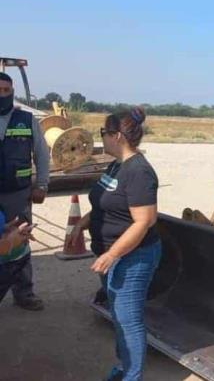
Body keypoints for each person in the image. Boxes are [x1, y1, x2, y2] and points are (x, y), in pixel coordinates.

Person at [68, 107, 160, 381]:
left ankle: (131, 376)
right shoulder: (116, 165)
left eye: (103, 133)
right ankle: (125, 368)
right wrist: (82, 224)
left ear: (117, 136)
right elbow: (104, 202)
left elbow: (144, 221)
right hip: (111, 254)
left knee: (127, 321)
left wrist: (112, 254)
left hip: (133, 258)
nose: (102, 138)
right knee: (118, 318)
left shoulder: (139, 172)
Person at [0, 72, 49, 311]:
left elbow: (41, 154)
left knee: (20, 242)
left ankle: (24, 292)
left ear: (12, 92)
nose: (2, 95)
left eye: (6, 91)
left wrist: (42, 184)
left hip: (18, 194)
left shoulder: (26, 120)